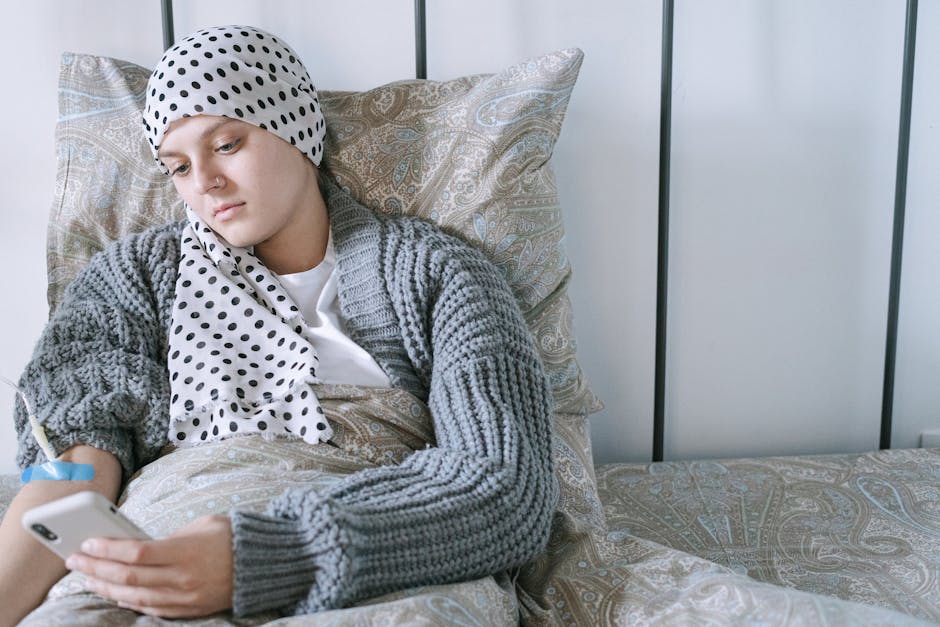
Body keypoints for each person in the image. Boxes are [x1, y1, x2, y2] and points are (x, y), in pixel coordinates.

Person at [0, 25, 556, 623]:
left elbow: (505, 487)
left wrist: (262, 558)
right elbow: (70, 476)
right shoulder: (133, 276)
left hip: (378, 561)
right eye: (178, 166)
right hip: (156, 557)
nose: (204, 182)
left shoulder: (435, 273)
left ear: (298, 129)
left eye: (228, 144)